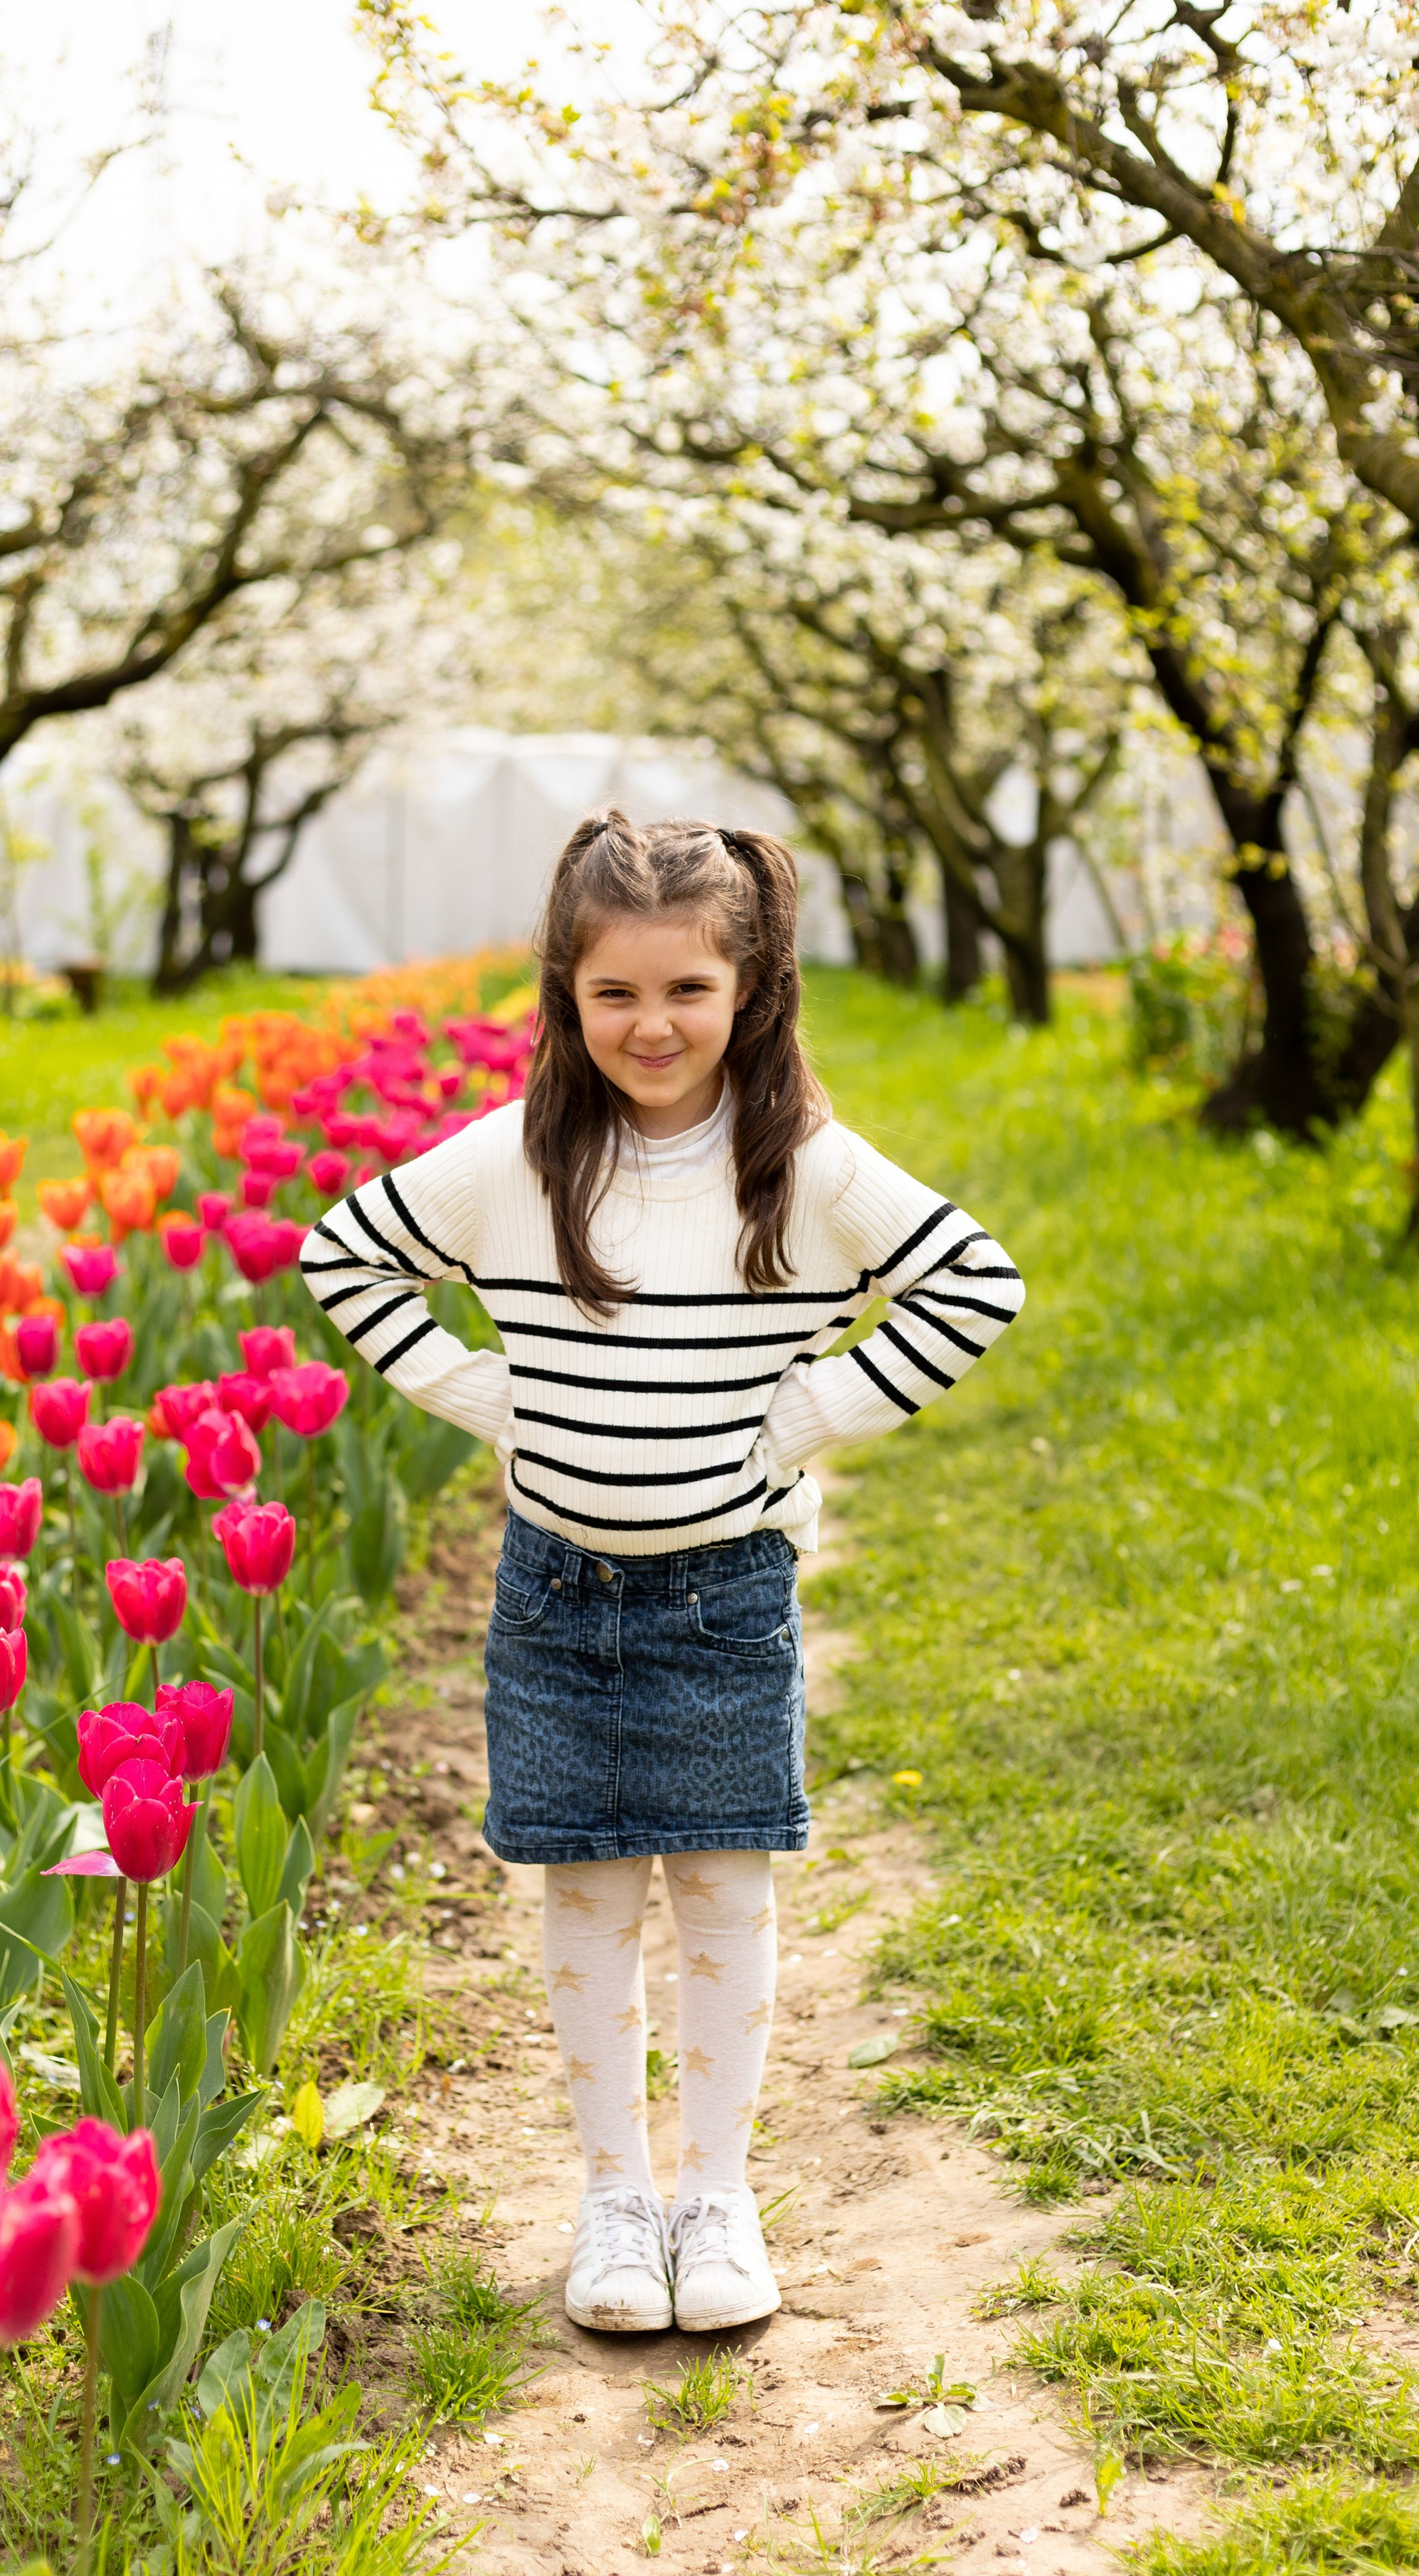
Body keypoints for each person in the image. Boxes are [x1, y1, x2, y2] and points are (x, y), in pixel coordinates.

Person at [299, 812, 1024, 2332]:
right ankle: (614, 2197)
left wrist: (811, 1412)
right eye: (614, 992)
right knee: (582, 1887)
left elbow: (975, 1280)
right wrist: (490, 1395)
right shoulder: (513, 1161)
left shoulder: (797, 1166)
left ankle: (720, 2195)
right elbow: (342, 1257)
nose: (651, 1024)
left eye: (689, 989)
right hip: (554, 1592)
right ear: (562, 991)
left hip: (723, 1592)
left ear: (751, 991)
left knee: (718, 1887)